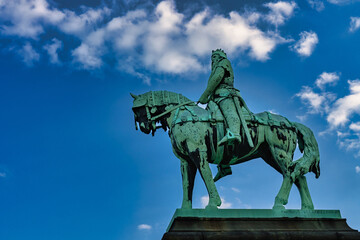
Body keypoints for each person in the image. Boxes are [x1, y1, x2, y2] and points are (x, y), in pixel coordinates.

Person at [198, 49, 254, 181]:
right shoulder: (216, 65)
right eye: (212, 58)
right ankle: (224, 166)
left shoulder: (224, 62)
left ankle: (235, 133)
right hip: (215, 98)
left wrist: (205, 94)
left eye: (216, 56)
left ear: (221, 57)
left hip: (225, 94)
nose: (213, 60)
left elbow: (217, 78)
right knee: (214, 125)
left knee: (229, 113)